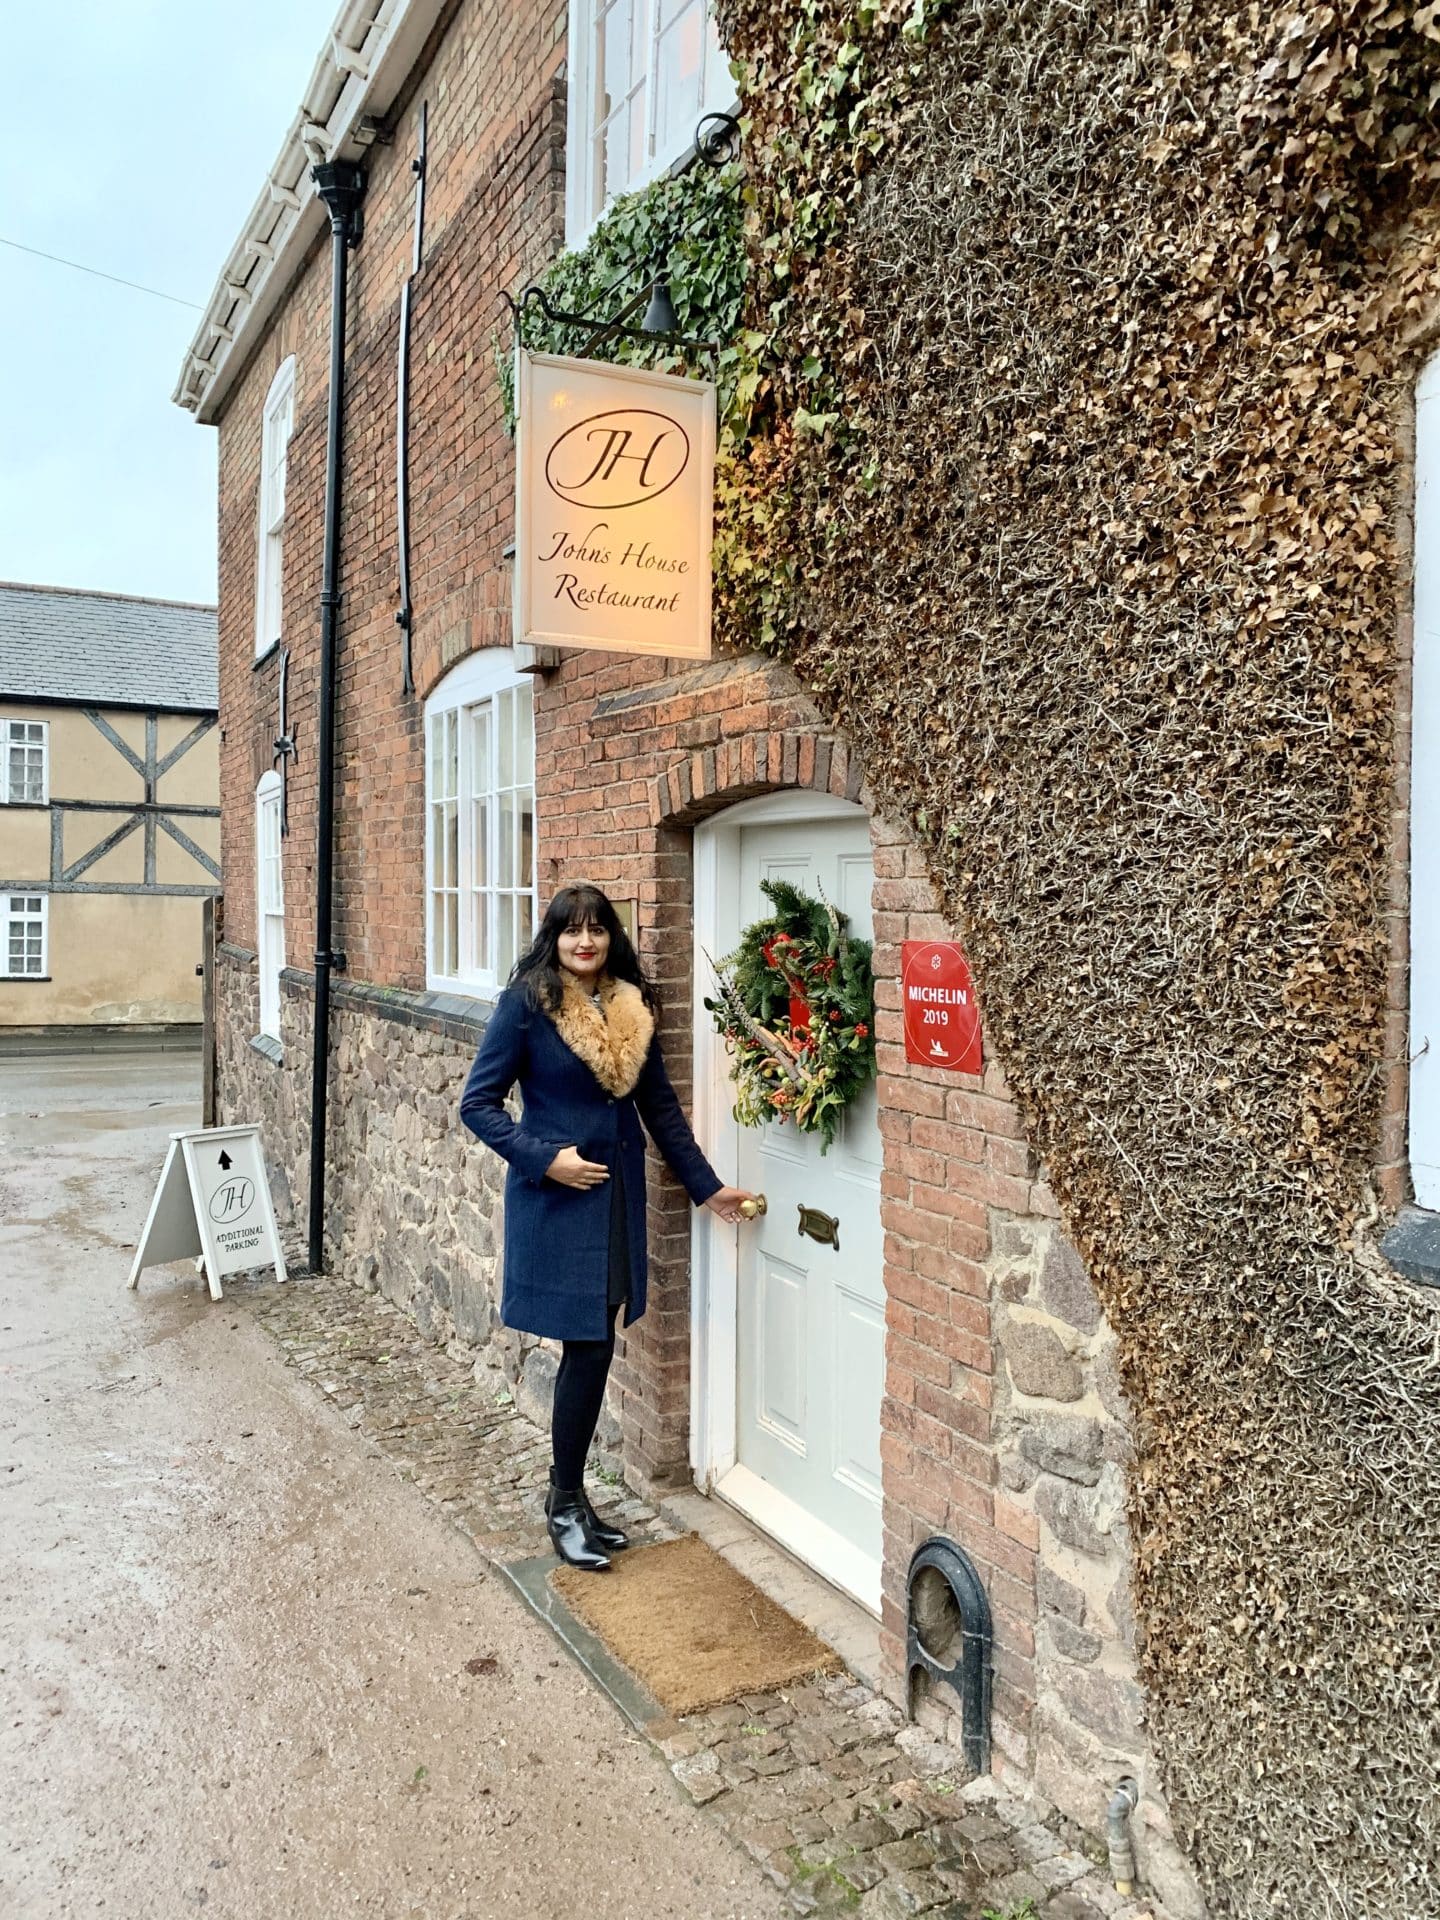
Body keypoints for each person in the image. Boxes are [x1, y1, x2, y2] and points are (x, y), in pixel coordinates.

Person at [459, 883, 757, 1572]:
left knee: (595, 1350)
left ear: (609, 936)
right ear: (554, 938)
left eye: (595, 929)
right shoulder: (528, 1005)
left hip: (616, 1201)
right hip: (558, 1205)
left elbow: (661, 1110)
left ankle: (574, 1501)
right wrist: (545, 1161)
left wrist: (706, 1189)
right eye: (571, 930)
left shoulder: (630, 1006)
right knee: (586, 1351)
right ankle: (563, 1504)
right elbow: (477, 1104)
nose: (584, 941)